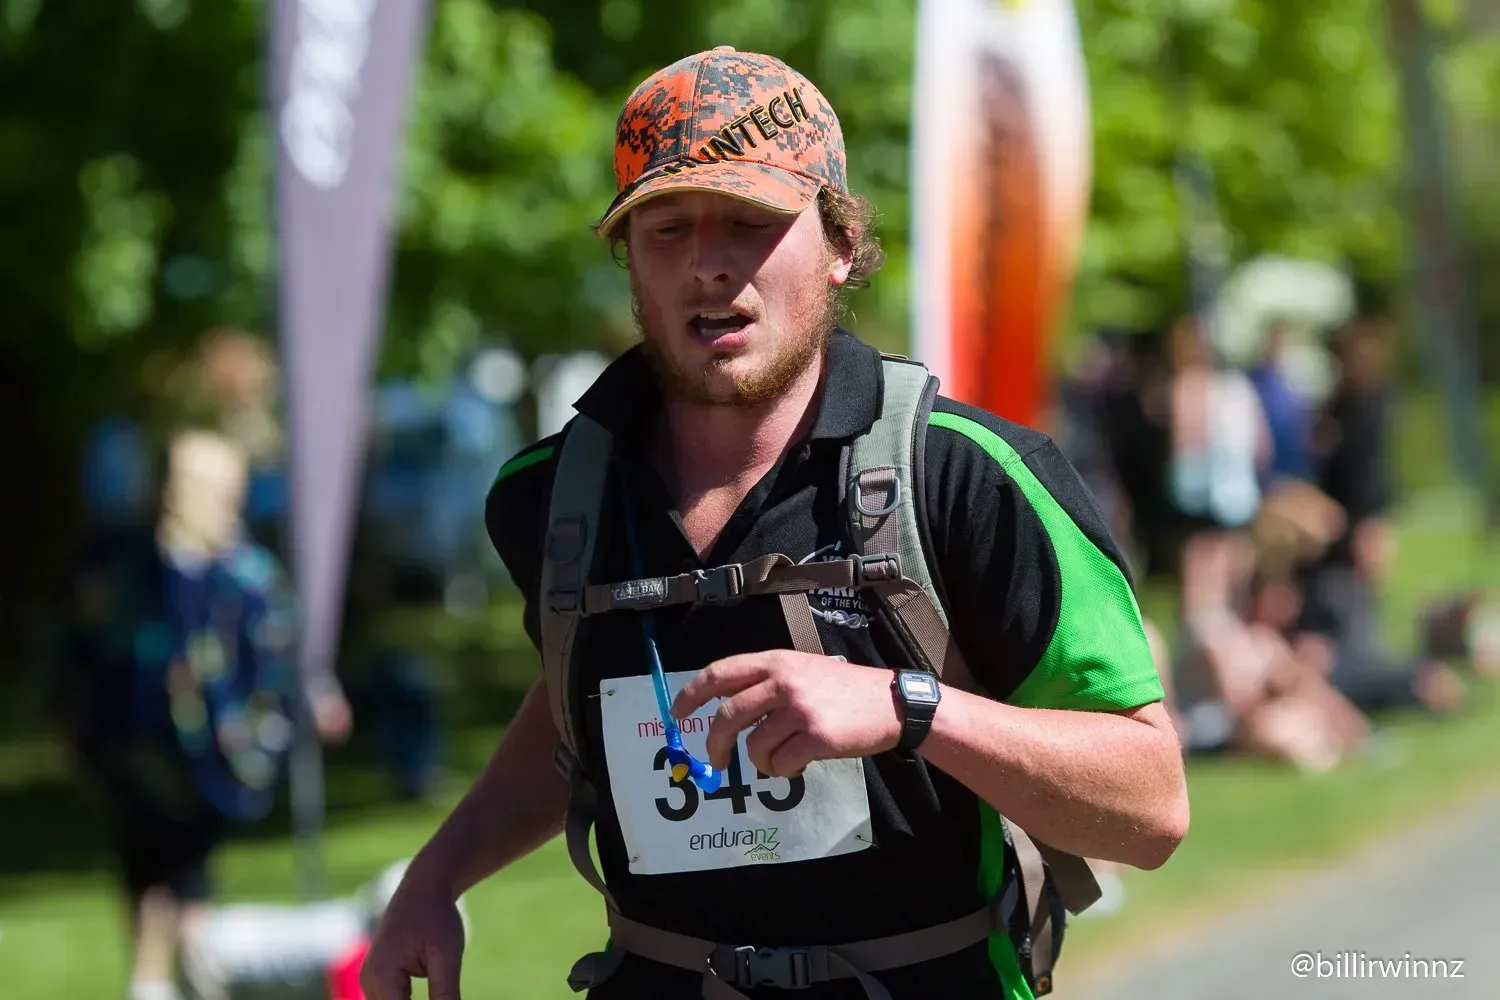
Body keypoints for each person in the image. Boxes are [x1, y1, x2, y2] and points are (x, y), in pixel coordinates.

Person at [363, 46, 1188, 1000]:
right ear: (627, 259)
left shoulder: (964, 476)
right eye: (666, 229)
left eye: (751, 222)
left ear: (839, 244)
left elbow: (1150, 802)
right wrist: (433, 879)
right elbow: (570, 706)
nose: (709, 265)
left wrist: (907, 709)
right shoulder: (552, 497)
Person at [55, 429, 302, 1000]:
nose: (184, 497)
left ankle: (184, 976)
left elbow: (273, 669)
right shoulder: (128, 568)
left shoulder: (247, 578)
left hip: (213, 755)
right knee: (147, 870)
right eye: (180, 482)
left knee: (186, 880)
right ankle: (155, 980)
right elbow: (86, 647)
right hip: (135, 748)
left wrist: (257, 740)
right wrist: (75, 722)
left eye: (208, 487)